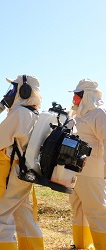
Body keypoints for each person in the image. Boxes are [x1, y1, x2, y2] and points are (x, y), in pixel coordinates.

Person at [0, 74, 44, 250]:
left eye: (14, 88)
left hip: (9, 174)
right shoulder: (36, 115)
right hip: (24, 173)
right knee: (25, 218)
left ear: (24, 90)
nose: (10, 93)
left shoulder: (20, 113)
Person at [68, 79, 106, 249]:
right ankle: (82, 245)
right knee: (79, 209)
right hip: (74, 172)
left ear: (87, 96)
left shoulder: (99, 113)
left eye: (77, 96)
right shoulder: (78, 116)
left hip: (91, 172)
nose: (74, 99)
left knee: (97, 211)